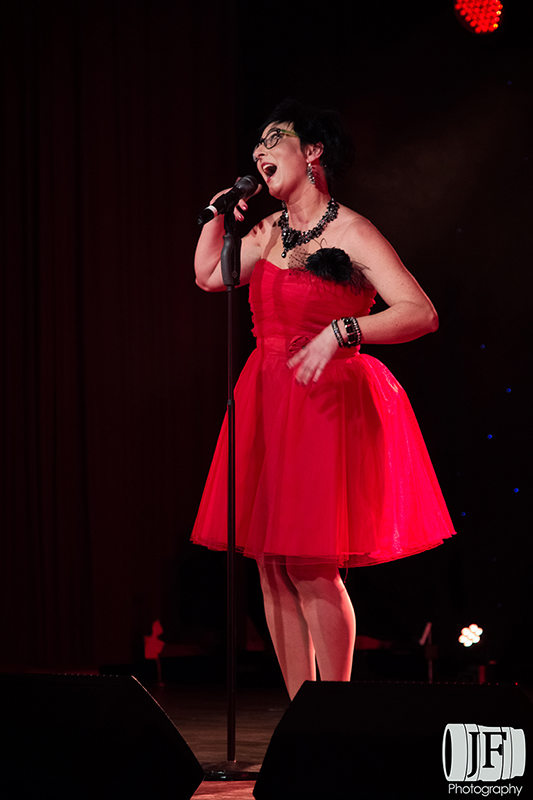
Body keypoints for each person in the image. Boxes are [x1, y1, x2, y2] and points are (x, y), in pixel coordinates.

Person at [191, 100, 455, 700]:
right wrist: (216, 215)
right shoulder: (266, 231)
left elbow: (420, 313)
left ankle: (335, 712)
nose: (259, 151)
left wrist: (345, 330)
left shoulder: (353, 232)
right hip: (266, 397)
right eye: (256, 143)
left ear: (312, 152)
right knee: (271, 565)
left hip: (322, 404)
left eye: (274, 139)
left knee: (311, 565)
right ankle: (301, 714)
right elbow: (209, 275)